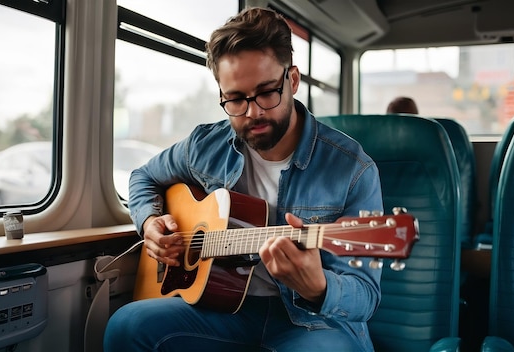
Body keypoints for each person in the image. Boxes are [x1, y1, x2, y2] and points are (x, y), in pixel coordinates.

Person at [104, 7, 383, 352]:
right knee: (126, 326)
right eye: (235, 99)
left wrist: (318, 287)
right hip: (223, 307)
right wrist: (149, 223)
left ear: (292, 80)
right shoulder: (204, 145)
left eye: (267, 92)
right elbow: (143, 176)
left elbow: (366, 296)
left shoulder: (353, 169)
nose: (253, 112)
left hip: (311, 323)